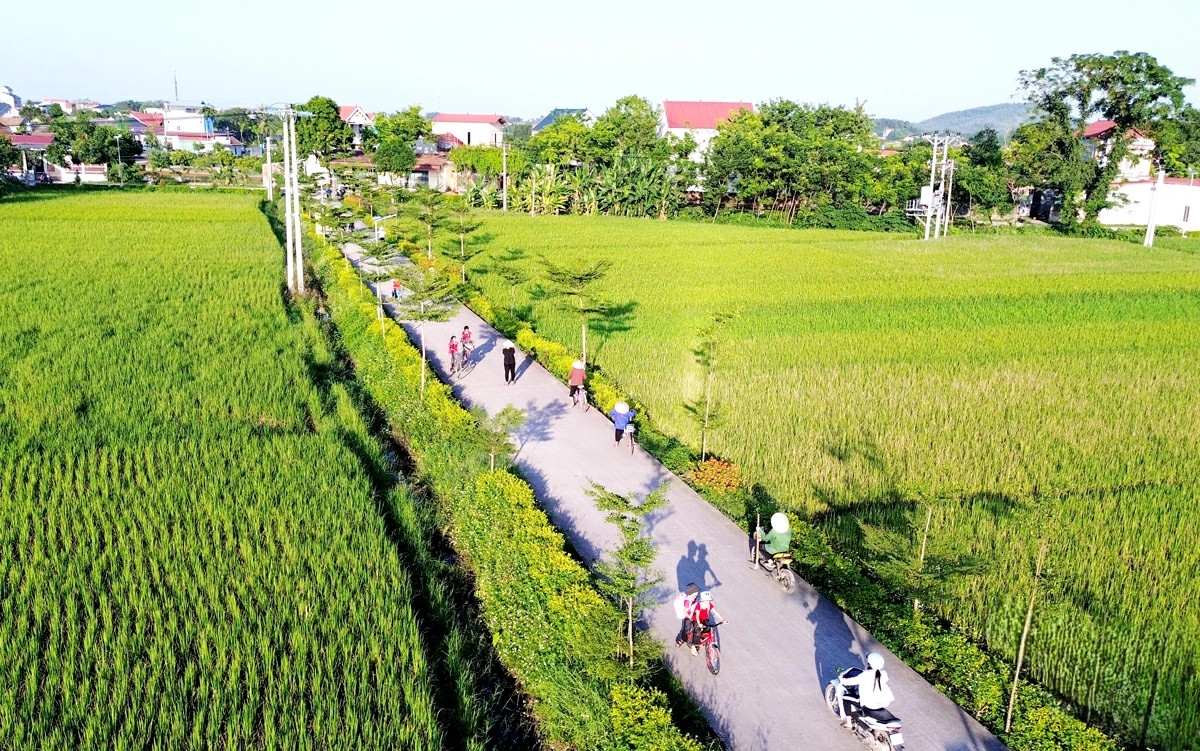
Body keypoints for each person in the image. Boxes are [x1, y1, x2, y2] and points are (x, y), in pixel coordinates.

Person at [838, 652, 895, 728]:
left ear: (870, 664)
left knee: (845, 698)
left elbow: (849, 682)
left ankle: (849, 723)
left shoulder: (865, 675)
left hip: (869, 703)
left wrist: (841, 678)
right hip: (883, 702)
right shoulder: (883, 673)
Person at [687, 590, 724, 654]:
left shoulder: (709, 605)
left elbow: (715, 612)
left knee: (708, 628)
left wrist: (722, 619)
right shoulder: (699, 605)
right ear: (703, 600)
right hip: (697, 620)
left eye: (709, 600)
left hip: (704, 619)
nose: (708, 602)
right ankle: (694, 646)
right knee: (697, 631)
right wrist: (699, 624)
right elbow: (697, 615)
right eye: (707, 600)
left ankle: (703, 638)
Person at [673, 583, 701, 647]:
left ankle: (695, 638)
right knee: (686, 628)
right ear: (692, 592)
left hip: (692, 612)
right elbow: (685, 611)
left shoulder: (694, 597)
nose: (697, 592)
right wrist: (690, 617)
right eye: (696, 591)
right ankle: (681, 639)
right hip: (687, 616)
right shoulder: (687, 601)